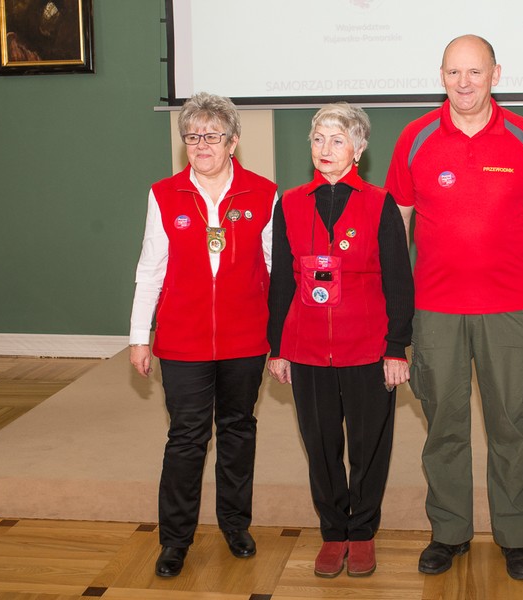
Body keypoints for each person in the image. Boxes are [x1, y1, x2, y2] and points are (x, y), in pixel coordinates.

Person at [385, 34, 523, 581]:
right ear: (440, 75)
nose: (464, 84)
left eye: (476, 73)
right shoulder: (415, 139)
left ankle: (515, 534)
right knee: (444, 423)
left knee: (511, 424)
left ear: (496, 74)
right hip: (435, 310)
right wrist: (395, 318)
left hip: (510, 309)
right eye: (453, 73)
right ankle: (449, 531)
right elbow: (397, 231)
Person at [129, 92, 277, 578]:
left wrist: (281, 337)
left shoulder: (263, 192)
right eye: (192, 137)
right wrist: (139, 336)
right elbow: (150, 270)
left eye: (212, 136)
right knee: (186, 438)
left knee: (238, 432)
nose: (201, 145)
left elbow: (276, 269)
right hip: (183, 340)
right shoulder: (163, 193)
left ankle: (236, 525)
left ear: (233, 141)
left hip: (246, 339)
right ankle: (175, 539)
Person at [267, 103, 414, 578]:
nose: (324, 149)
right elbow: (281, 284)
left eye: (336, 140)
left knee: (369, 443)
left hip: (367, 348)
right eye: (317, 139)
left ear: (358, 148)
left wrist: (397, 346)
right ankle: (334, 531)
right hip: (307, 349)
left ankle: (363, 531)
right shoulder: (289, 202)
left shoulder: (379, 202)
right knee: (321, 441)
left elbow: (398, 279)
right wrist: (278, 347)